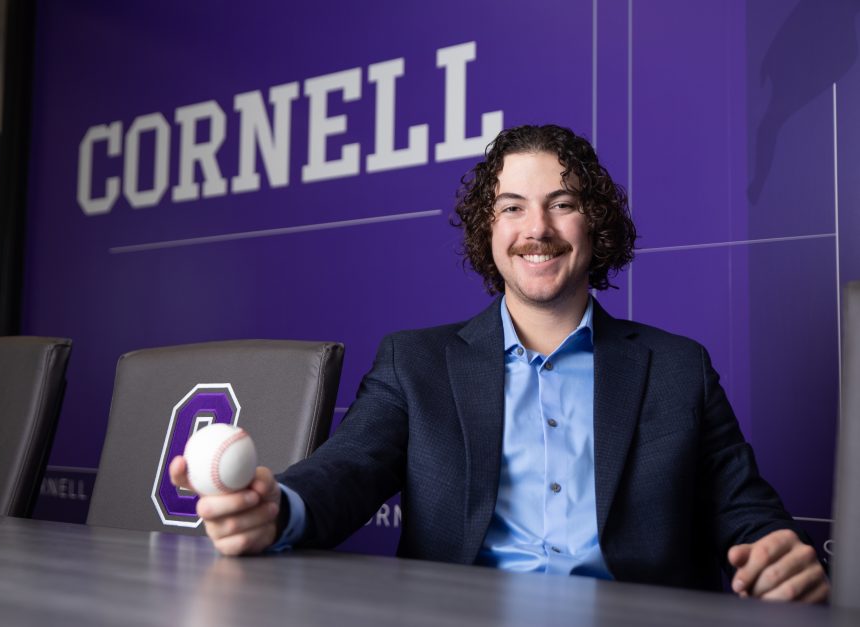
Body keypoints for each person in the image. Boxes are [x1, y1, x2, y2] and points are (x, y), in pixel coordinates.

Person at [170, 125, 828, 602]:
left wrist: (776, 552)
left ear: (594, 225)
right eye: (512, 207)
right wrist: (276, 508)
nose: (536, 228)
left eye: (562, 204)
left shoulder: (678, 368)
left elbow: (747, 512)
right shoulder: (416, 362)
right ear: (488, 233)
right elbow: (345, 471)